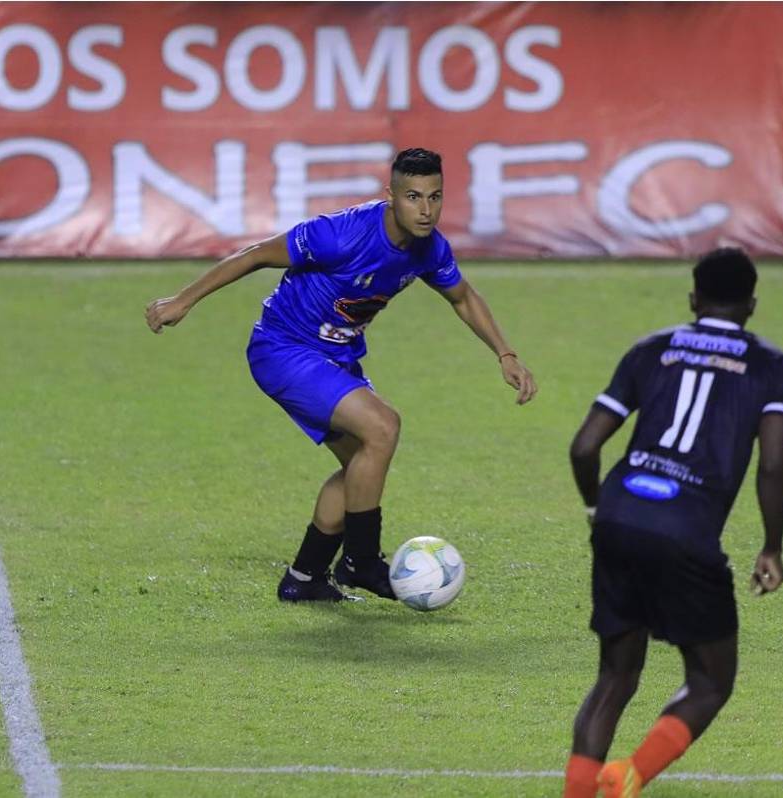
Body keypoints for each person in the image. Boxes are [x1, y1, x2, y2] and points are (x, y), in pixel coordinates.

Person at [146, 148, 537, 602]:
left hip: (337, 358)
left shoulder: (430, 248)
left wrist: (505, 354)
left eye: (435, 197)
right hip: (284, 348)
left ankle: (306, 577)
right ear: (389, 195)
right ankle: (360, 562)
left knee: (359, 466)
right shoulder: (339, 234)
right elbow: (255, 256)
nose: (425, 210)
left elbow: (463, 297)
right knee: (383, 426)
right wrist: (182, 300)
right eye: (413, 196)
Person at [561, 248, 783, 797]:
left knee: (614, 678)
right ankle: (630, 775)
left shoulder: (651, 350)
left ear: (693, 299)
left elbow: (583, 447)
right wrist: (771, 546)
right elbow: (772, 463)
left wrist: (600, 512)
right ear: (753, 305)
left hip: (621, 513)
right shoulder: (775, 369)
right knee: (710, 681)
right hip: (687, 530)